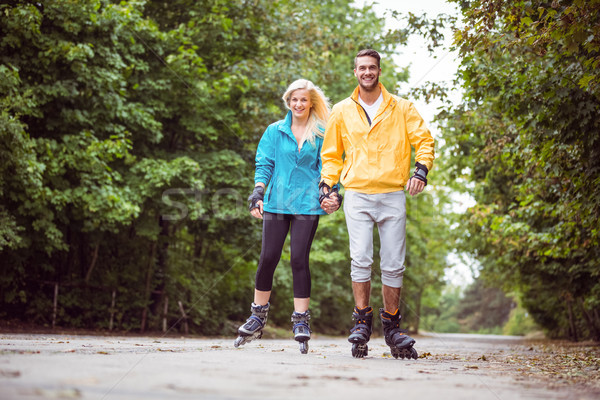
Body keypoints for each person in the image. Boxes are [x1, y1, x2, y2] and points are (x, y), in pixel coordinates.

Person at [319, 49, 435, 359]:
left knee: (394, 263)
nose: (367, 72)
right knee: (361, 259)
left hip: (392, 193)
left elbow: (423, 141)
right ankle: (361, 322)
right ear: (355, 72)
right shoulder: (342, 110)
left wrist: (421, 171)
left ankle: (392, 326)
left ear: (379, 71)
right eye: (362, 68)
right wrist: (326, 185)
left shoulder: (401, 107)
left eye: (372, 67)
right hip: (356, 192)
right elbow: (331, 155)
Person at [234, 79, 341, 354]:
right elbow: (264, 163)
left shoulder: (321, 133)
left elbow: (329, 165)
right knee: (268, 257)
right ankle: (257, 316)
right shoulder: (275, 131)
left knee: (298, 259)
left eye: (304, 100)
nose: (298, 104)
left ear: (311, 103)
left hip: (307, 203)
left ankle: (301, 321)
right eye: (294, 99)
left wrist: (331, 193)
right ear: (288, 101)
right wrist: (257, 193)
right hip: (276, 202)